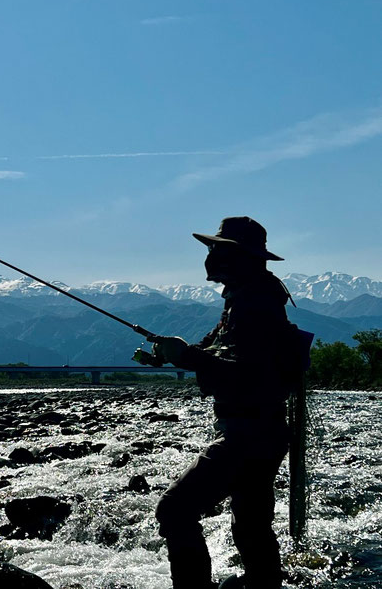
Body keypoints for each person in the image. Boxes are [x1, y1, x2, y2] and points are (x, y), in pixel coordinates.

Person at [149, 216, 297, 589]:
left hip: (250, 431)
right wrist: (171, 353)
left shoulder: (255, 301)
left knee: (175, 511)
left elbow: (245, 369)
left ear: (240, 256)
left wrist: (187, 357)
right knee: (250, 526)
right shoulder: (245, 296)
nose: (211, 255)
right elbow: (213, 348)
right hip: (261, 429)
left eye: (217, 248)